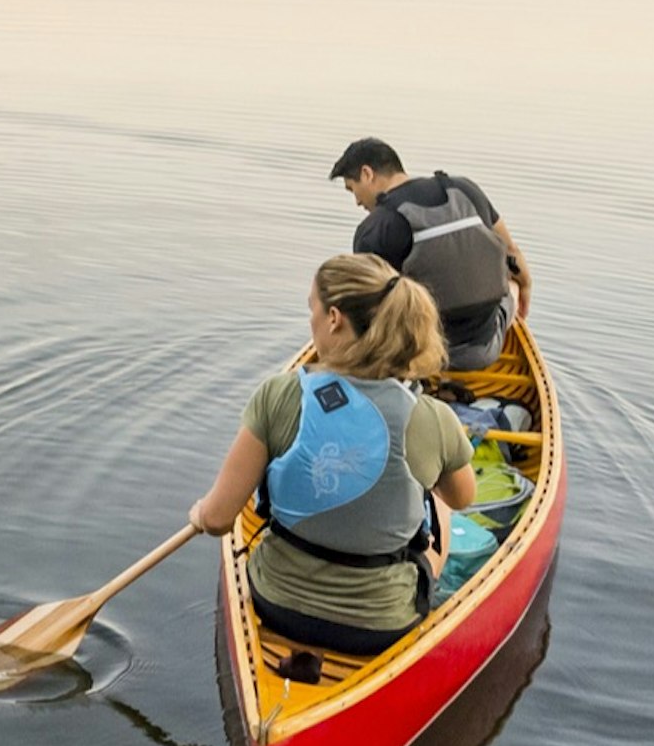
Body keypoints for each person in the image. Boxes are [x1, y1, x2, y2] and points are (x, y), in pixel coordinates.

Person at [183, 254, 482, 656]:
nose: (311, 319)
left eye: (312, 308)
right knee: (440, 504)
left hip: (275, 605)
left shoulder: (279, 394)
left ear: (335, 318)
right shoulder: (431, 417)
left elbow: (220, 519)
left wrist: (200, 513)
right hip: (381, 625)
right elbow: (463, 497)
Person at [330, 138, 529, 371]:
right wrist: (525, 287)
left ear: (367, 174)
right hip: (485, 349)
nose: (356, 202)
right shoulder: (464, 189)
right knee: (511, 279)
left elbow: (368, 311)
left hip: (419, 355)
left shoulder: (374, 229)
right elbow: (511, 250)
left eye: (352, 189)